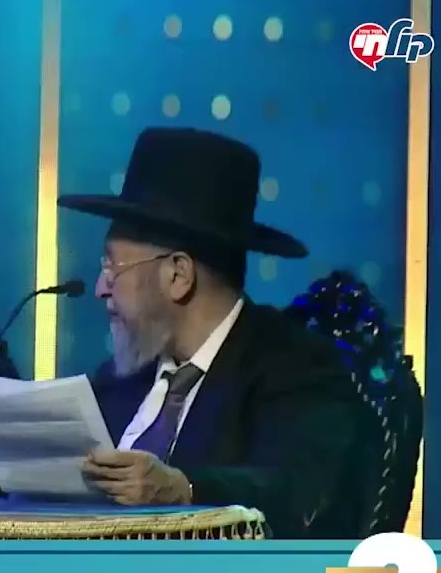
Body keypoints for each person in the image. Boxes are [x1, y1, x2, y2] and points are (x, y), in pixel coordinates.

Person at [58, 127, 368, 541]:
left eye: (113, 266)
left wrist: (183, 490)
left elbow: (301, 494)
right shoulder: (118, 381)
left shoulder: (297, 370)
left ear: (178, 275)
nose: (100, 287)